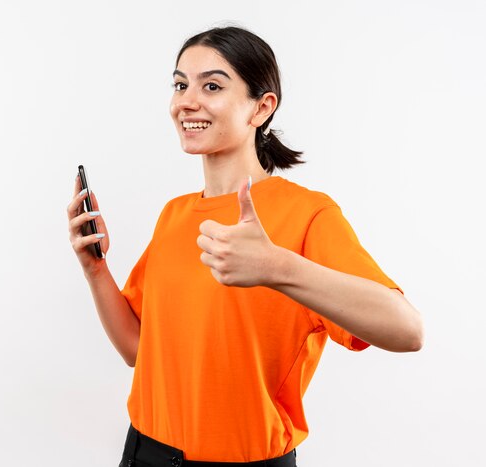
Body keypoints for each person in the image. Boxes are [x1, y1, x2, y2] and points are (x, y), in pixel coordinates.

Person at [67, 25, 424, 467]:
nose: (186, 102)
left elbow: (408, 331)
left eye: (211, 86)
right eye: (180, 85)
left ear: (262, 107)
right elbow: (137, 351)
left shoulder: (308, 215)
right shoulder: (174, 215)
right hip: (144, 453)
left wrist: (278, 267)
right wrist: (95, 269)